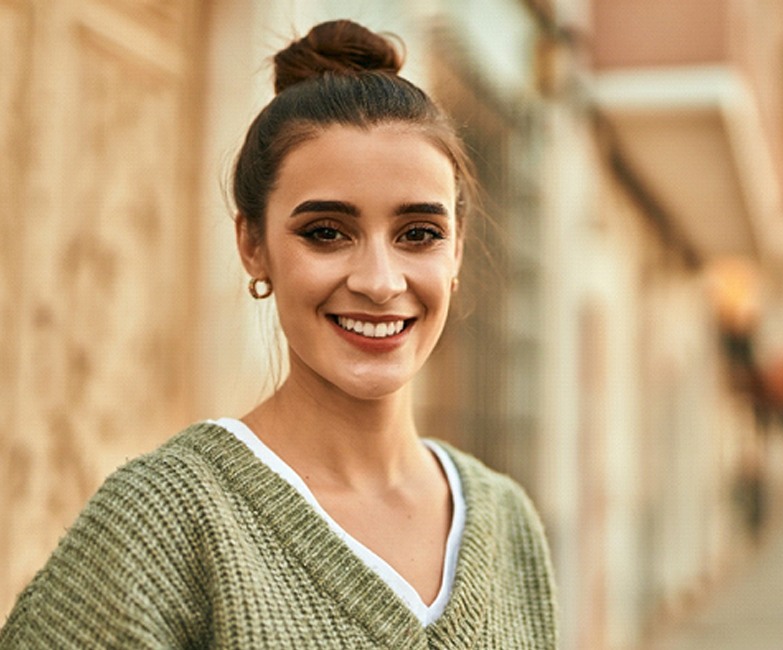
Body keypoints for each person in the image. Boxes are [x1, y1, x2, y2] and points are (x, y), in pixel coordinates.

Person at [0, 20, 557, 648]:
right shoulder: (164, 520)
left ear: (455, 252)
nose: (379, 281)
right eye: (326, 232)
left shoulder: (509, 522)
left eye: (418, 234)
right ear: (252, 245)